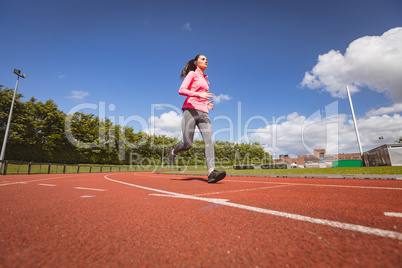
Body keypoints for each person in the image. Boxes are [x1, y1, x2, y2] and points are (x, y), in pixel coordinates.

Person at [168, 54, 226, 183]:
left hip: (204, 112)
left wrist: (206, 104)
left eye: (207, 60)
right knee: (187, 145)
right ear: (196, 62)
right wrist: (199, 94)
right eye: (203, 59)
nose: (206, 61)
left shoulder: (206, 80)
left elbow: (202, 97)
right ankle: (174, 151)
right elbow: (181, 90)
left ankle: (211, 172)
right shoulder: (192, 74)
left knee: (208, 140)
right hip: (190, 110)